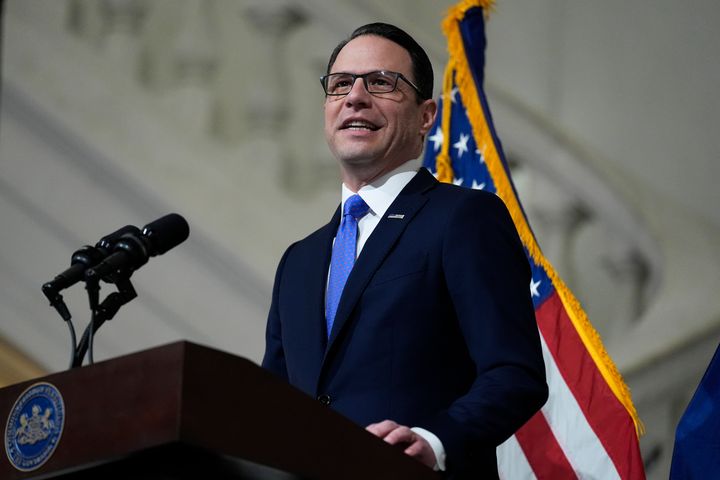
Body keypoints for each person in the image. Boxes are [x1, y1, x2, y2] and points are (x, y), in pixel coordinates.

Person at [262, 22, 547, 479]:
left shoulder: (463, 218)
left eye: (381, 82)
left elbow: (514, 373)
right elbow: (272, 408)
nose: (355, 97)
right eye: (340, 85)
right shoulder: (299, 261)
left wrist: (435, 441)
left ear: (425, 115)